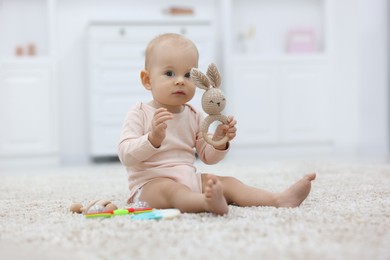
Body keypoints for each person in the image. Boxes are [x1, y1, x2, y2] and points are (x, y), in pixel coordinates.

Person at [118, 33, 316, 215]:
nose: (180, 81)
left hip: (189, 180)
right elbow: (126, 155)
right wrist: (152, 139)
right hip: (150, 186)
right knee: (173, 191)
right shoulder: (140, 112)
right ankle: (206, 203)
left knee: (227, 183)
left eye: (187, 75)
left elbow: (207, 157)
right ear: (147, 80)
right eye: (169, 73)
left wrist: (220, 141)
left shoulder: (195, 114)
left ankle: (278, 199)